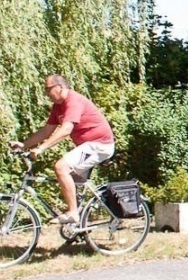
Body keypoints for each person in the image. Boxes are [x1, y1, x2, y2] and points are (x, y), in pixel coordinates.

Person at [10, 75, 115, 223]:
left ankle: (73, 214)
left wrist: (41, 149)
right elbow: (46, 131)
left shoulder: (73, 101)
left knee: (61, 167)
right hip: (88, 146)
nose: (46, 93)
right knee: (69, 181)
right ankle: (76, 226)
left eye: (48, 89)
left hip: (99, 145)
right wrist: (24, 145)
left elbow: (66, 129)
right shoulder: (58, 106)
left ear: (60, 87)